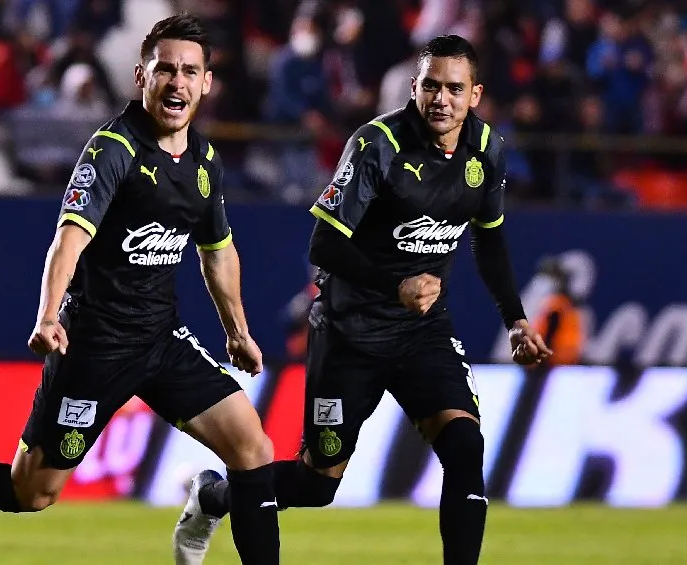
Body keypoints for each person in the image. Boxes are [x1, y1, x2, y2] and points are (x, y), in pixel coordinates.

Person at [0, 14, 280, 564]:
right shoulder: (112, 150)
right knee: (32, 492)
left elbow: (218, 251)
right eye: (165, 69)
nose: (177, 82)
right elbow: (70, 237)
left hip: (161, 340)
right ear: (141, 75)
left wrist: (237, 332)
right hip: (94, 348)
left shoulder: (204, 161)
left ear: (207, 83)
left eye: (190, 71)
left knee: (252, 447)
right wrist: (49, 315)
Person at [173, 35, 552, 565]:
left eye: (455, 89)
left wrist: (515, 319)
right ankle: (213, 496)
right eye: (431, 86)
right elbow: (323, 244)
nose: (442, 99)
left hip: (422, 333)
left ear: (476, 94)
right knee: (316, 484)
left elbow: (489, 240)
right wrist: (394, 286)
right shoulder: (378, 145)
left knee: (466, 447)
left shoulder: (488, 149)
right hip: (350, 334)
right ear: (414, 88)